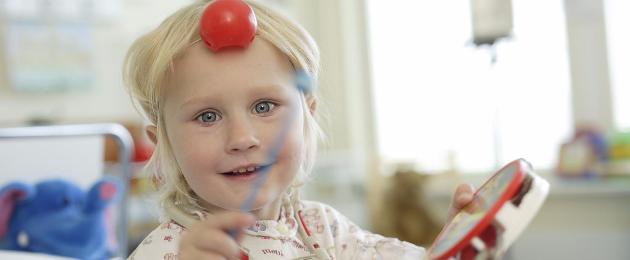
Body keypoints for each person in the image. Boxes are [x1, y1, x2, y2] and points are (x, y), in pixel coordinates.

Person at [123, 0, 475, 259]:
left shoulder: (326, 229)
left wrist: (454, 244)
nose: (243, 138)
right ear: (162, 143)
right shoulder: (167, 251)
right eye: (208, 117)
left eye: (264, 107)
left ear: (308, 114)